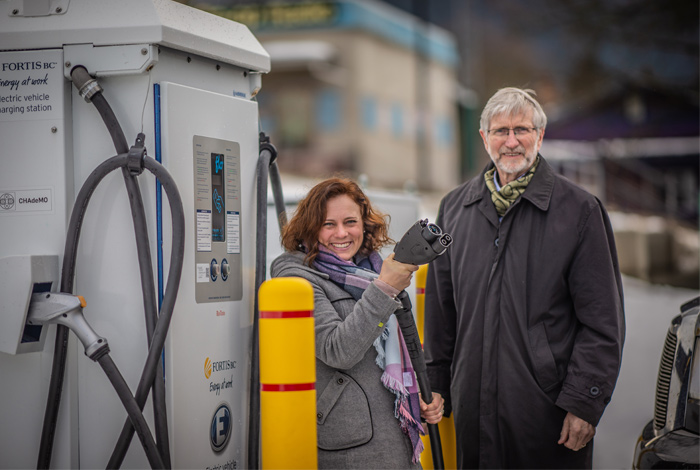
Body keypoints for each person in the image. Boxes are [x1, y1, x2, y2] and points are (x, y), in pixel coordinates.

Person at [423, 87, 625, 469]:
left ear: (540, 136)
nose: (511, 141)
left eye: (522, 130)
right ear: (484, 138)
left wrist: (584, 402)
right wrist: (436, 381)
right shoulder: (454, 208)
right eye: (500, 131)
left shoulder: (580, 211)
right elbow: (441, 307)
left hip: (546, 411)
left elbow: (602, 323)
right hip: (471, 407)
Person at [271, 177, 445, 469]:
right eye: (328, 224)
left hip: (397, 438)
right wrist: (384, 289)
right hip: (350, 447)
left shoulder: (372, 270)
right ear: (310, 228)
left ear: (364, 225)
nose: (341, 233)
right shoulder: (298, 278)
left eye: (350, 221)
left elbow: (401, 350)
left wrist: (422, 395)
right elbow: (337, 350)